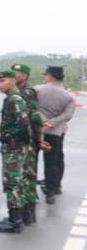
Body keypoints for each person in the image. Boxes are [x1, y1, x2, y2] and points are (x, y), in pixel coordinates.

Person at [0, 70, 30, 234]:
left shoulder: (14, 99)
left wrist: (9, 136)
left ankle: (15, 221)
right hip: (14, 146)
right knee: (15, 181)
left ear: (14, 81)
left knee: (12, 182)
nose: (0, 84)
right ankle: (14, 217)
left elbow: (22, 124)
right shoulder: (11, 98)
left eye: (3, 80)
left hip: (14, 147)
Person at [36, 65, 75, 203]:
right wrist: (52, 122)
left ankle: (30, 191)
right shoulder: (68, 95)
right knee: (53, 161)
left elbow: (31, 107)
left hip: (37, 129)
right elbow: (67, 116)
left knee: (32, 160)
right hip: (56, 131)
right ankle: (52, 191)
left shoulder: (37, 89)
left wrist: (44, 120)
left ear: (50, 76)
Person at [11, 63, 44, 226]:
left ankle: (29, 212)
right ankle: (26, 213)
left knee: (28, 176)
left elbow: (35, 117)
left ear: (25, 75)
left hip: (28, 140)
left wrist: (39, 139)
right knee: (23, 176)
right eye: (14, 72)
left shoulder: (27, 92)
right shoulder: (17, 91)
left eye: (18, 72)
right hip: (21, 140)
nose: (15, 75)